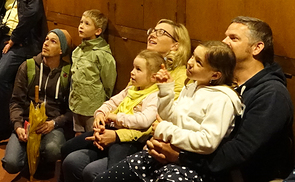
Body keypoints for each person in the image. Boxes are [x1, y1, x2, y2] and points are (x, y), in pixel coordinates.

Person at [146, 16, 294, 182]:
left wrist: (180, 156)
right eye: (225, 36)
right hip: (199, 160)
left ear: (257, 48)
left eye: (233, 38)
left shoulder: (272, 94)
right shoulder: (219, 82)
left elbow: (240, 151)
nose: (224, 42)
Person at [59, 18, 192, 182]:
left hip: (138, 139)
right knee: (70, 159)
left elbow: (155, 119)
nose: (152, 34)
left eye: (161, 32)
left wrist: (116, 135)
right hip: (115, 127)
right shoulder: (143, 64)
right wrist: (103, 120)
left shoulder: (180, 76)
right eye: (153, 30)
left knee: (92, 172)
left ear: (175, 45)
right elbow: (123, 100)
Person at [92, 41, 244, 182]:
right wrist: (165, 90)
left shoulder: (222, 99)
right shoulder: (192, 86)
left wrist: (164, 129)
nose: (190, 63)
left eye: (198, 62)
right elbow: (167, 116)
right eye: (192, 57)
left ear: (215, 75)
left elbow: (207, 142)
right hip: (162, 153)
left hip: (189, 164)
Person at [62, 49, 165, 182]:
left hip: (127, 141)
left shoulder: (155, 96)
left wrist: (117, 118)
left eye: (138, 69)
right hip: (110, 130)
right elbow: (112, 102)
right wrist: (100, 114)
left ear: (153, 77)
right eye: (133, 68)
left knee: (111, 176)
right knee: (67, 147)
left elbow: (144, 121)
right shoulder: (131, 89)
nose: (132, 72)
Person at [1, 29, 73, 178]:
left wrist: (54, 123)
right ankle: (28, 158)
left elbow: (72, 110)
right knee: (11, 163)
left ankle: (41, 160)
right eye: (46, 39)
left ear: (62, 50)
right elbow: (15, 101)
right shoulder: (28, 67)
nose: (46, 43)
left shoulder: (68, 73)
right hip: (26, 123)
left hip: (51, 125)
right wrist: (18, 126)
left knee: (53, 150)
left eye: (53, 41)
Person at [0, 0, 47, 141]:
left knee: (1, 77)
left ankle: (5, 127)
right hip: (4, 38)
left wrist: (14, 38)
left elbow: (33, 13)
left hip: (24, 42)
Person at [69, 9, 116, 136]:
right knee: (78, 137)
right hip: (76, 105)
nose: (81, 26)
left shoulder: (102, 54)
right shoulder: (77, 51)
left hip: (93, 108)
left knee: (92, 137)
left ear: (98, 31)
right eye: (81, 22)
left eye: (87, 24)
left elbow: (108, 83)